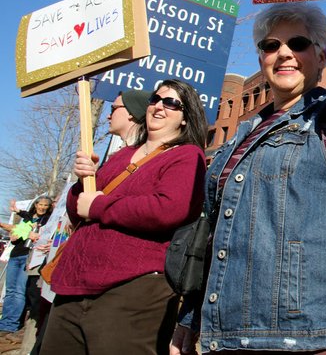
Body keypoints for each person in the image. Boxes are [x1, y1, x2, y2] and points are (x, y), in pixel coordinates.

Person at [170, 3, 326, 355]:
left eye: (297, 43)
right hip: (229, 335)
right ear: (261, 60)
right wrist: (192, 313)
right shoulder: (241, 135)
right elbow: (217, 236)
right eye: (271, 46)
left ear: (321, 57)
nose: (283, 53)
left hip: (315, 337)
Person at [40, 79, 208, 355]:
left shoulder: (186, 156)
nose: (158, 106)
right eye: (155, 99)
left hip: (131, 289)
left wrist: (100, 206)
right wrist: (83, 182)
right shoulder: (121, 156)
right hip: (75, 285)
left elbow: (169, 210)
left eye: (171, 102)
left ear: (185, 118)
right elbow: (78, 209)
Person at [0, 196, 53, 337]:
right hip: (16, 254)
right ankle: (4, 322)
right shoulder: (28, 218)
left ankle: (11, 324)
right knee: (10, 290)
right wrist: (15, 233)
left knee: (19, 291)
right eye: (40, 204)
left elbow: (38, 236)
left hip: (29, 256)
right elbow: (23, 219)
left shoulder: (47, 220)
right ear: (35, 205)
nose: (42, 207)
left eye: (45, 205)